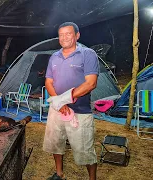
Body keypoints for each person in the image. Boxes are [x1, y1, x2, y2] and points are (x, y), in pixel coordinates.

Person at [43, 22, 99, 180]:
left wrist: (64, 100)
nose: (64, 37)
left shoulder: (88, 54)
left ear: (77, 35)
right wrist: (59, 103)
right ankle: (59, 174)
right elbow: (48, 82)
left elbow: (91, 83)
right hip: (57, 109)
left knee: (85, 150)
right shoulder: (54, 56)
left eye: (68, 34)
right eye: (61, 34)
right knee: (56, 143)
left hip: (80, 111)